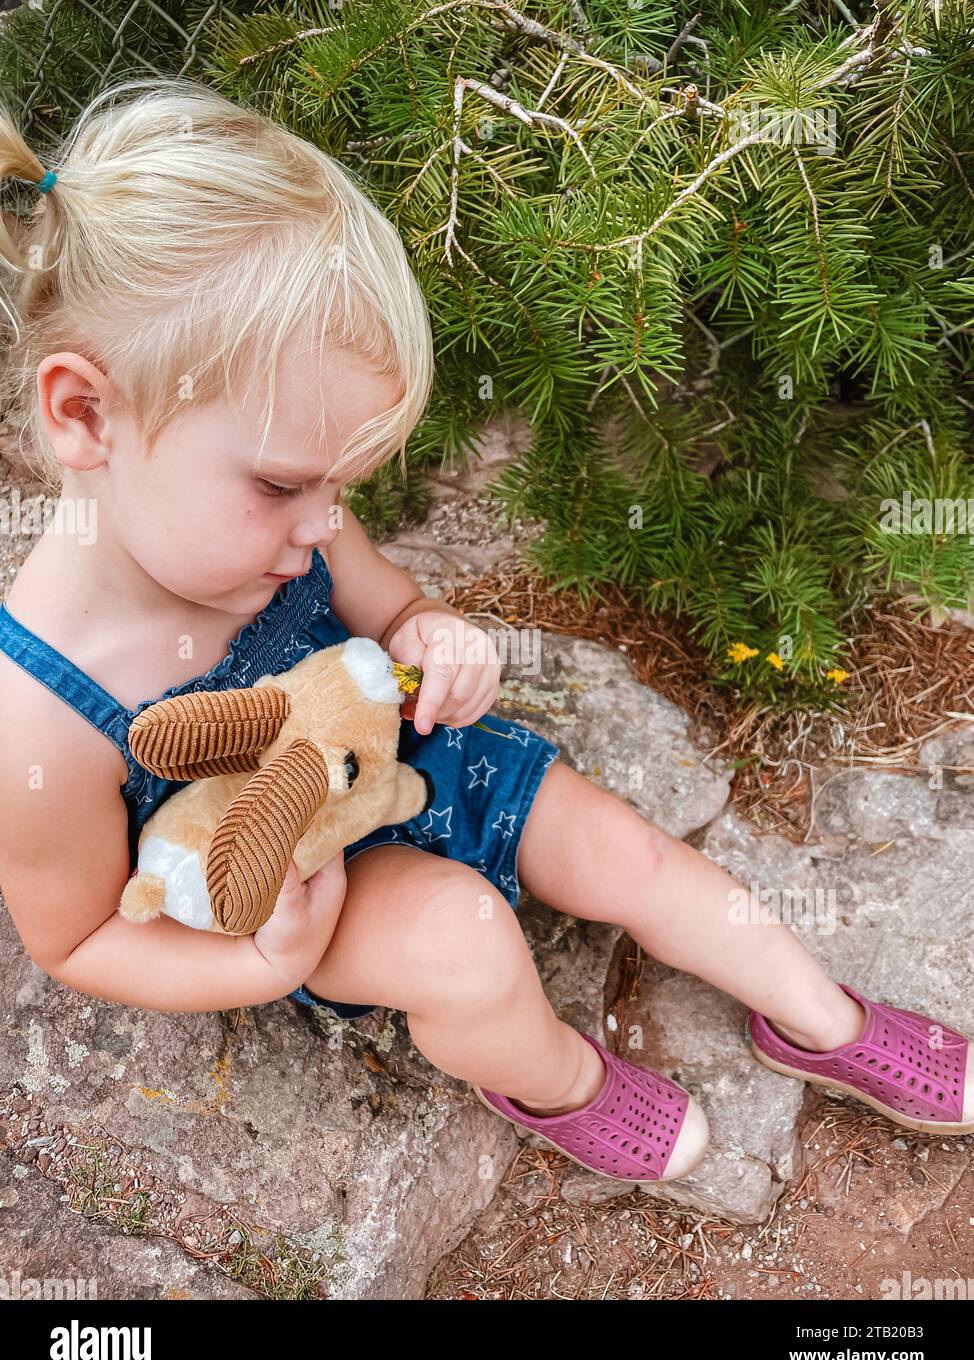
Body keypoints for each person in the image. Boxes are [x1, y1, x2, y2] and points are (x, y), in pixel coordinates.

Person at [0, 78, 969, 1189]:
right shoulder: (36, 711)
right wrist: (262, 965)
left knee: (630, 853)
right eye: (282, 484)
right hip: (302, 883)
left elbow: (393, 607)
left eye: (340, 487)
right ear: (85, 414)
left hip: (417, 760)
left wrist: (439, 631)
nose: (323, 526)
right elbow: (74, 940)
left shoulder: (277, 523)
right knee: (465, 940)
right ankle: (557, 1079)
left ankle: (820, 1019)